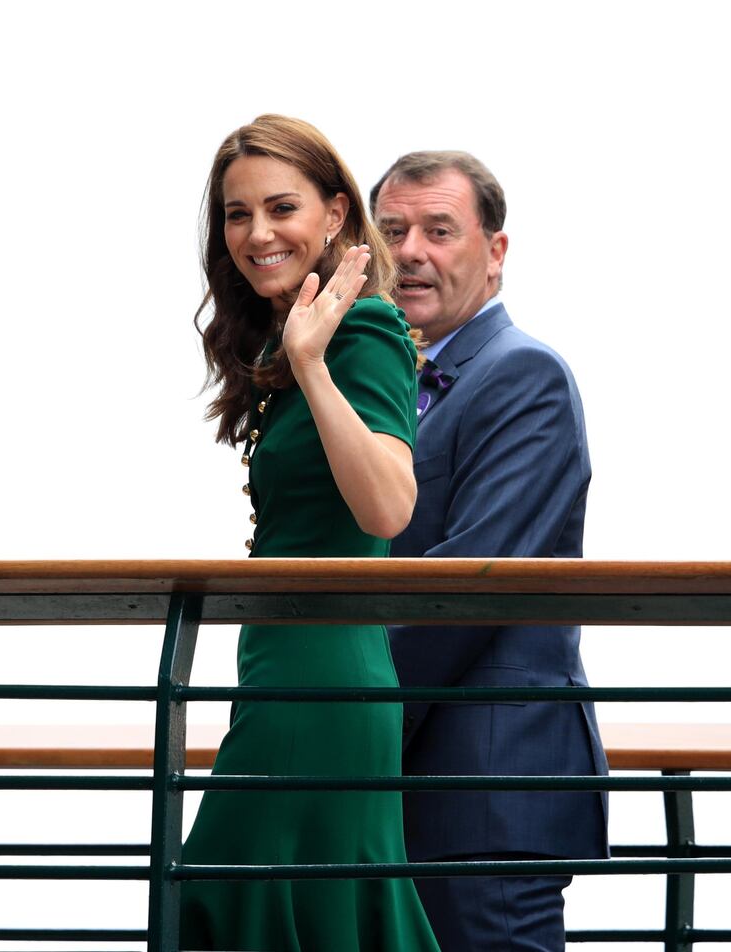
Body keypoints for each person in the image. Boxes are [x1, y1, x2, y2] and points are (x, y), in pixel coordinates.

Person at [178, 116, 441, 952]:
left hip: (323, 680)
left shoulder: (357, 332)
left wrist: (315, 366)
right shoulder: (288, 339)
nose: (257, 233)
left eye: (280, 207)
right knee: (266, 909)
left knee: (231, 901)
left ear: (334, 214)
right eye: (236, 213)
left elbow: (389, 509)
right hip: (285, 669)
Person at [371, 151, 609, 952]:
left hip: (485, 784)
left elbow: (472, 584)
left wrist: (349, 720)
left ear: (495, 252)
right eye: (393, 230)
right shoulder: (383, 388)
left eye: (440, 231)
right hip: (404, 784)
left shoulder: (524, 376)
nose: (411, 252)